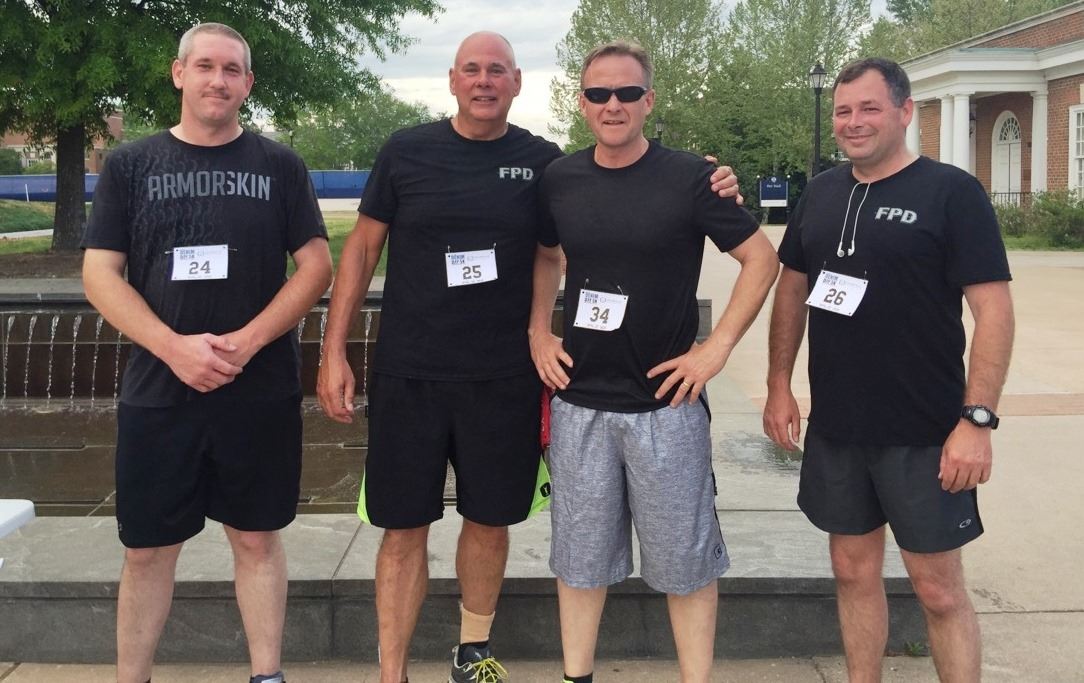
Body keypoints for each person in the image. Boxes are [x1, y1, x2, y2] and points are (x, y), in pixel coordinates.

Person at [315, 31, 741, 683]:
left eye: (498, 71)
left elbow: (596, 196)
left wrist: (709, 175)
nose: (484, 81)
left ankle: (471, 650)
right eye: (472, 70)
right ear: (453, 81)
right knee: (402, 529)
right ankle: (391, 671)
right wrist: (333, 350)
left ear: (517, 83)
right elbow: (361, 249)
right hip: (411, 374)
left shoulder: (547, 163)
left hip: (505, 377)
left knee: (489, 518)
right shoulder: (406, 151)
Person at [82, 23, 332, 683]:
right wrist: (172, 348)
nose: (217, 80)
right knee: (146, 550)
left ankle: (267, 673)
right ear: (179, 74)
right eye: (205, 67)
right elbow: (99, 274)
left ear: (248, 84)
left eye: (231, 70)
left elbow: (315, 266)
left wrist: (247, 343)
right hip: (159, 390)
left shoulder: (279, 165)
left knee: (255, 537)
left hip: (259, 387)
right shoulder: (130, 166)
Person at [528, 40, 779, 683]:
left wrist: (714, 348)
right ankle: (575, 675)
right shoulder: (561, 178)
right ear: (581, 103)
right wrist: (537, 328)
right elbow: (547, 254)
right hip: (581, 400)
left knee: (685, 564)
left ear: (649, 100)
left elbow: (761, 260)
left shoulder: (691, 177)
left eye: (627, 93)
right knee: (579, 561)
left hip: (667, 406)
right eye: (598, 94)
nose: (613, 105)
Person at [763, 58, 1014, 683]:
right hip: (839, 427)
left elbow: (994, 312)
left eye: (869, 108)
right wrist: (777, 385)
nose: (853, 122)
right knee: (851, 572)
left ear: (905, 111)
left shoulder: (952, 192)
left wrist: (976, 420)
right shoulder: (821, 193)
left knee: (938, 589)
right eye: (843, 111)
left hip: (926, 430)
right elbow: (791, 293)